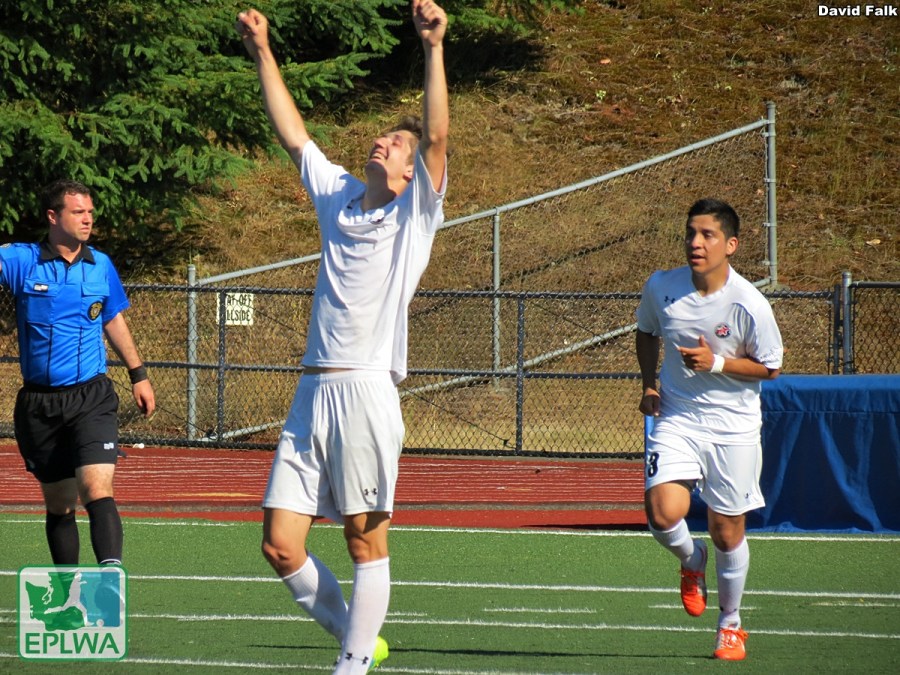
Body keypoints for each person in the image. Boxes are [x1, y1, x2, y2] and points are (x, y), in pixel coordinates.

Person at [236, 1, 448, 671]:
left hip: (365, 389)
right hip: (312, 390)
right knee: (279, 544)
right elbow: (295, 135)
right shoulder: (339, 196)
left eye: (396, 144)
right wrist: (262, 50)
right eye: (382, 138)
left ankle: (352, 666)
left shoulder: (415, 215)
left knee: (364, 539)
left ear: (412, 173)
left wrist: (433, 47)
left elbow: (437, 136)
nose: (383, 144)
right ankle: (360, 643)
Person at [635, 198, 783, 661]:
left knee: (725, 530)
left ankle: (730, 626)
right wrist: (649, 384)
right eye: (690, 233)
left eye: (707, 235)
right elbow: (646, 332)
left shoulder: (749, 303)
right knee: (662, 512)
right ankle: (691, 560)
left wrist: (716, 362)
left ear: (731, 245)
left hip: (733, 428)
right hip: (678, 416)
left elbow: (771, 367)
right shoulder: (662, 286)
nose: (695, 243)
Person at [0, 179, 156, 567]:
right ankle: (68, 591)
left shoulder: (100, 265)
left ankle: (109, 580)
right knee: (60, 504)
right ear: (53, 217)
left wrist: (138, 374)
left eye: (90, 212)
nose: (88, 219)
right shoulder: (23, 261)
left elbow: (113, 318)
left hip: (91, 397)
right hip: (39, 404)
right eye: (78, 212)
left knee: (96, 487)